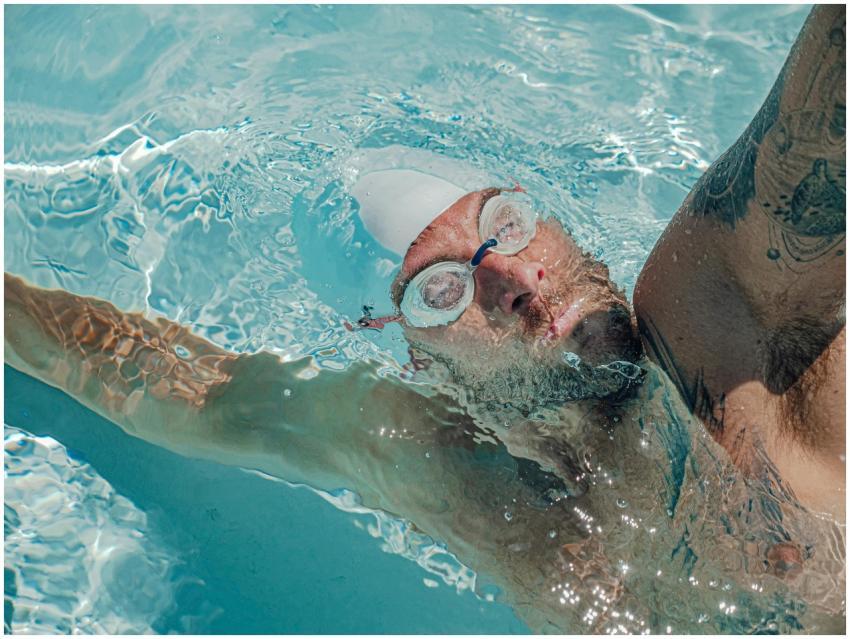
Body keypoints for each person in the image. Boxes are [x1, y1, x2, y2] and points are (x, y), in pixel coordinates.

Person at [4, 5, 844, 633]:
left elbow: (815, 131)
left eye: (503, 224)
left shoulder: (718, 313)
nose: (512, 278)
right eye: (443, 290)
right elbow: (186, 390)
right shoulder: (430, 460)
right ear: (412, 355)